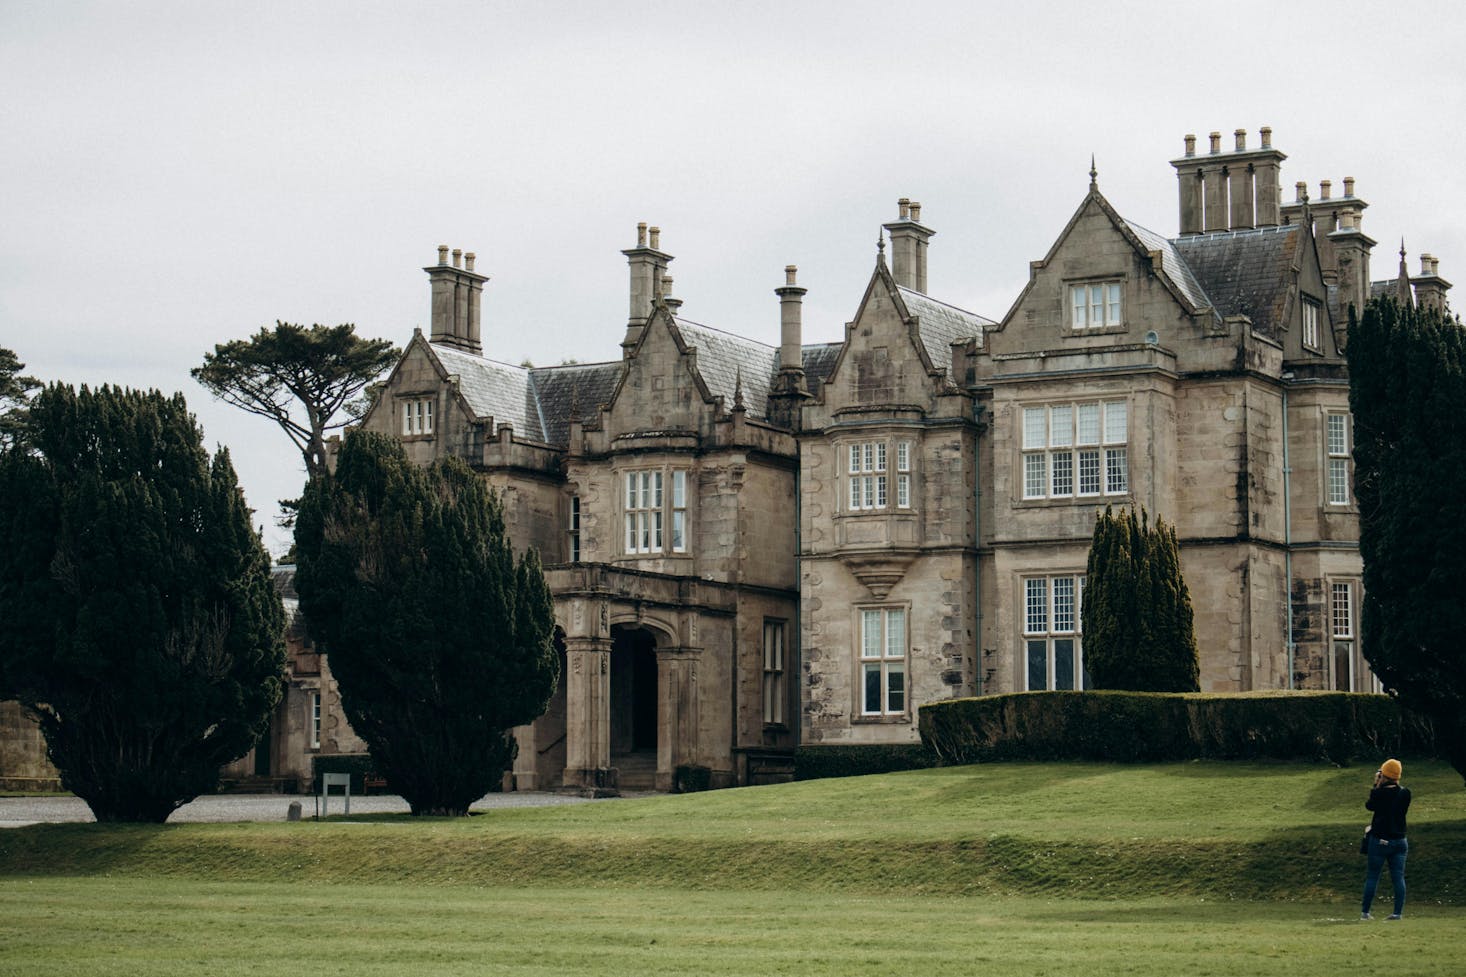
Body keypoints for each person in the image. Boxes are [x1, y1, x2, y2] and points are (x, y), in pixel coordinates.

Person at [1361, 757, 1411, 920]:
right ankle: (1397, 912)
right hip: (1400, 840)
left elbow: (1370, 806)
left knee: (1373, 876)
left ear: (1385, 775)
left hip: (1381, 839)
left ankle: (1366, 912)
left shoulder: (1380, 794)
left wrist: (1376, 785)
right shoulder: (1405, 793)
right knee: (1398, 877)